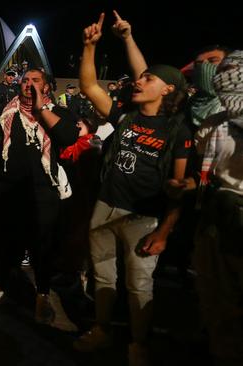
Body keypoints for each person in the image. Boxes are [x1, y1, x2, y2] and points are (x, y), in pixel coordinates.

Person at [73, 12, 193, 365]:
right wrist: (89, 47)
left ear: (168, 89)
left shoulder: (176, 130)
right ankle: (102, 329)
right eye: (140, 78)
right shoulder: (125, 115)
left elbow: (179, 187)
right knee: (103, 276)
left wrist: (166, 230)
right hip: (105, 206)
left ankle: (138, 344)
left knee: (139, 285)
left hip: (143, 218)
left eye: (148, 79)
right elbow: (90, 87)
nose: (139, 82)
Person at [0, 67, 78, 323]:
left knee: (42, 248)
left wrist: (41, 109)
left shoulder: (57, 113)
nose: (28, 84)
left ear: (47, 87)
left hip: (44, 195)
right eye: (25, 80)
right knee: (2, 245)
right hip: (9, 192)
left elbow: (68, 136)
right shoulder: (8, 112)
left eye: (36, 81)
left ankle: (42, 294)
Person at [190, 50, 243, 366]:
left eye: (234, 70)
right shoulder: (214, 122)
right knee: (215, 293)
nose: (226, 75)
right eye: (225, 70)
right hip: (216, 211)